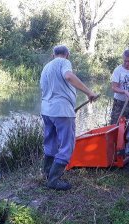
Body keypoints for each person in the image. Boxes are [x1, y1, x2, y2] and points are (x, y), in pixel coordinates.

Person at [40, 45, 97, 190]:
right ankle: (53, 180)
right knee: (67, 145)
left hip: (46, 110)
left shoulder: (46, 67)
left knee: (51, 142)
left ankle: (47, 174)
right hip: (62, 111)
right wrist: (89, 92)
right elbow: (68, 76)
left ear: (53, 55)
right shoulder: (64, 62)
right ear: (67, 54)